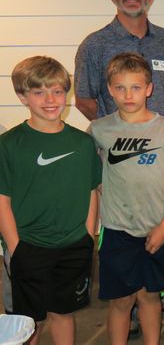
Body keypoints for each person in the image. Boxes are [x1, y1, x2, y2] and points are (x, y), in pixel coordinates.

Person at [89, 53, 164, 345]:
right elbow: (92, 180)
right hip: (116, 230)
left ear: (149, 88)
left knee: (149, 297)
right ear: (109, 89)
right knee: (120, 301)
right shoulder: (99, 130)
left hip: (156, 229)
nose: (128, 94)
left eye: (135, 87)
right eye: (120, 87)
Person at [0, 56, 101, 345]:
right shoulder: (9, 144)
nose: (50, 99)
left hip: (73, 245)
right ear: (22, 96)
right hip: (27, 246)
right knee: (27, 322)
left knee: (64, 313)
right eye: (39, 92)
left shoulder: (82, 143)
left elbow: (91, 190)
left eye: (57, 91)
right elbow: (2, 200)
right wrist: (15, 247)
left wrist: (88, 234)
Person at [75, 0, 164, 121]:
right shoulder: (94, 44)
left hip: (163, 141)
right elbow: (84, 101)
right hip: (118, 143)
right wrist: (112, 129)